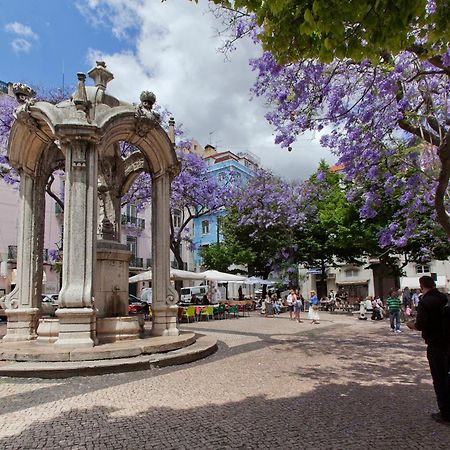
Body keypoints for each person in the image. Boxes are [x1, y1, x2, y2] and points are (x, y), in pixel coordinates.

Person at [407, 276, 450, 425]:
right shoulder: (445, 298)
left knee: (440, 379)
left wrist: (411, 324)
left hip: (436, 345)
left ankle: (445, 413)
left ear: (422, 286)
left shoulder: (425, 301)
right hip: (448, 342)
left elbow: (422, 324)